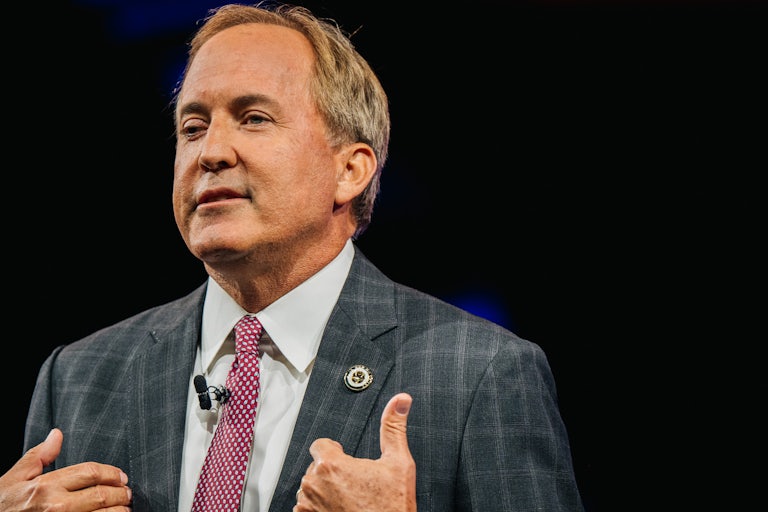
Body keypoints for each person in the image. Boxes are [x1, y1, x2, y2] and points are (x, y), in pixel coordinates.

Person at [0, 2, 585, 511]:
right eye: (193, 126)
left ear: (349, 169)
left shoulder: (479, 373)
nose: (211, 152)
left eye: (253, 118)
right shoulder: (77, 377)